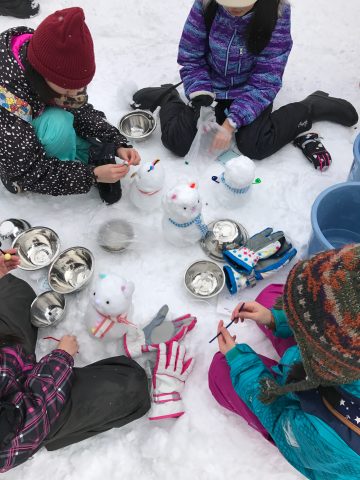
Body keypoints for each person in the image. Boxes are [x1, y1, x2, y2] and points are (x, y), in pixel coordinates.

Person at [132, 0, 358, 171]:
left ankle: (310, 107)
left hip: (249, 89)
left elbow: (267, 79)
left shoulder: (276, 14)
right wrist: (201, 93)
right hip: (209, 87)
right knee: (177, 143)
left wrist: (232, 122)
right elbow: (191, 56)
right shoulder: (206, 5)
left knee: (254, 145)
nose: (234, 8)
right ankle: (168, 97)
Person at [208, 244, 360, 480]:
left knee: (220, 371)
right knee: (270, 298)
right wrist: (274, 318)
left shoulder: (333, 438)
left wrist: (242, 365)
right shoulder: (345, 354)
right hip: (330, 370)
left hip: (313, 429)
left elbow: (280, 419)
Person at [0, 249, 150, 472]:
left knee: (15, 291)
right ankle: (56, 431)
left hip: (8, 359)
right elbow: (30, 419)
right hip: (21, 421)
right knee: (132, 385)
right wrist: (60, 359)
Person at [0, 7, 140, 204]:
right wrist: (91, 175)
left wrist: (116, 141)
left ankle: (80, 154)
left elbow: (78, 107)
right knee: (59, 125)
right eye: (67, 91)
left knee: (65, 118)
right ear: (44, 74)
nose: (75, 94)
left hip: (29, 118)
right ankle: (9, 176)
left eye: (80, 88)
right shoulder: (7, 99)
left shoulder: (43, 55)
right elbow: (27, 170)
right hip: (11, 152)